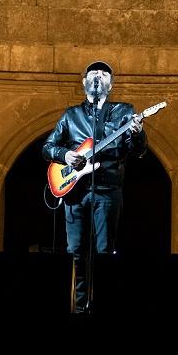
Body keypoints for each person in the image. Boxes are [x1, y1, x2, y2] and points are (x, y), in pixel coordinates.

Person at [42, 60, 147, 313]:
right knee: (76, 252)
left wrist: (137, 132)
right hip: (75, 191)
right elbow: (47, 147)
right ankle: (78, 309)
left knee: (104, 252)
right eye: (93, 73)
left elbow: (139, 150)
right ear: (84, 82)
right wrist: (66, 155)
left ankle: (103, 308)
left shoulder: (124, 112)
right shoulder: (71, 115)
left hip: (108, 191)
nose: (98, 76)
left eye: (104, 74)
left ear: (111, 85)